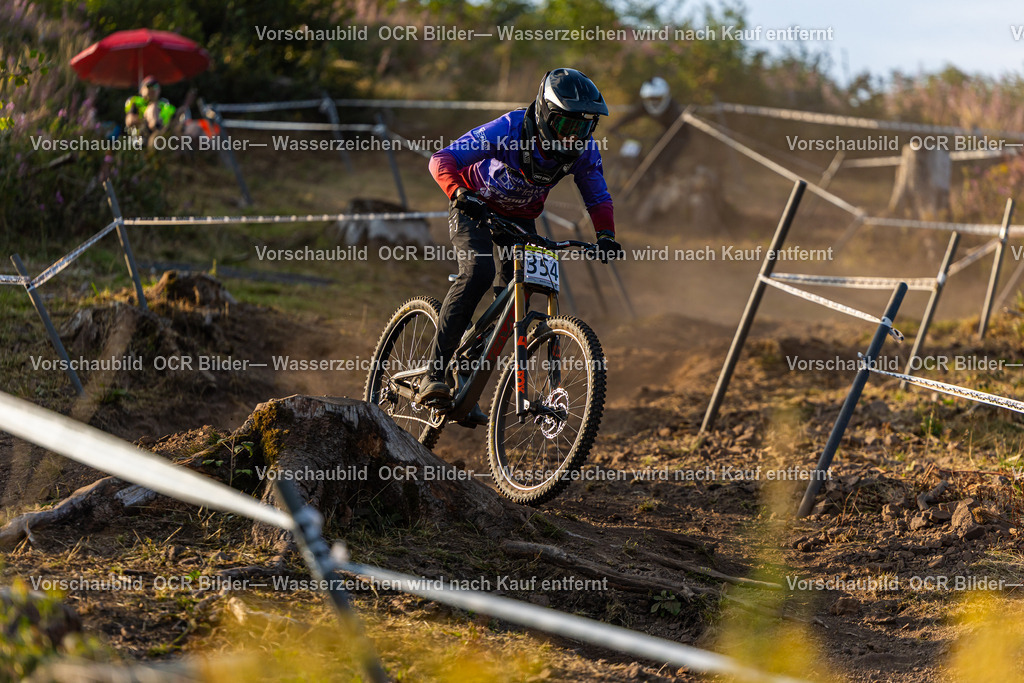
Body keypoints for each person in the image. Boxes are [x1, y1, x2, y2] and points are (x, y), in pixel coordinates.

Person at [417, 67, 624, 411]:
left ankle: (467, 381)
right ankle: (433, 375)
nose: (575, 137)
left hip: (521, 219)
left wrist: (605, 235)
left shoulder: (584, 150)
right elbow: (442, 159)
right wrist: (458, 192)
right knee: (478, 274)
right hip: (474, 207)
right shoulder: (511, 129)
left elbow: (598, 196)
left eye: (585, 127)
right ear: (545, 114)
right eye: (567, 125)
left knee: (514, 303)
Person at [125, 76, 176, 146]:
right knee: (153, 107)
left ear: (159, 90)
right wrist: (145, 119)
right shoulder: (135, 101)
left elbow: (170, 120)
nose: (152, 89)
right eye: (148, 86)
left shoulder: (165, 104)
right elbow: (129, 121)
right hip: (140, 138)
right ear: (141, 90)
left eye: (155, 86)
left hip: (161, 134)